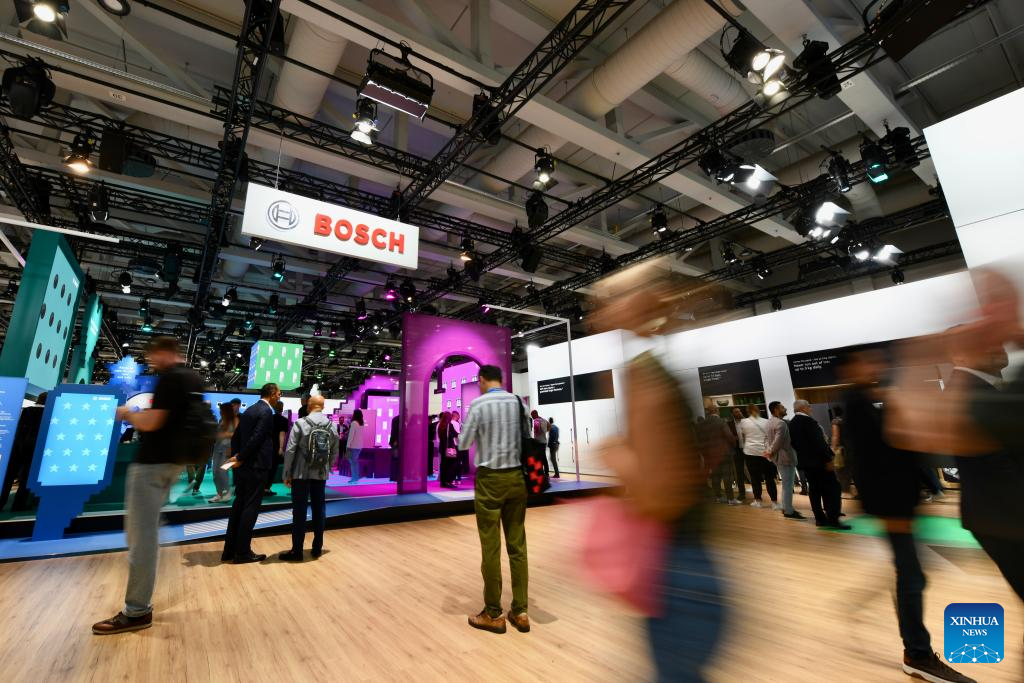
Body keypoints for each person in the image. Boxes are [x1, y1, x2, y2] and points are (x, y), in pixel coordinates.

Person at [591, 259, 726, 681]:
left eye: (612, 297)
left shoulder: (643, 375)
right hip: (689, 561)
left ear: (643, 301)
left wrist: (616, 456)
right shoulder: (654, 368)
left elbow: (660, 495)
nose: (601, 309)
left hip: (675, 569)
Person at [842, 347, 975, 683]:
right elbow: (869, 462)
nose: (875, 364)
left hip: (899, 505)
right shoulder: (857, 403)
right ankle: (917, 653)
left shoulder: (867, 399)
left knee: (912, 576)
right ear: (850, 367)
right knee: (911, 577)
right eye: (866, 360)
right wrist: (888, 509)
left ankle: (916, 650)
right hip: (893, 507)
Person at [93, 336, 203, 635]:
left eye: (152, 356)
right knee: (147, 531)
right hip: (173, 464)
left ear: (163, 353)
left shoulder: (170, 378)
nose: (151, 362)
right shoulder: (193, 377)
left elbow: (152, 423)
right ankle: (141, 599)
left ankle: (137, 611)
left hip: (152, 464)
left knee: (141, 539)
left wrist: (127, 413)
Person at [458, 365, 532, 635]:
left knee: (491, 547)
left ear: (481, 380)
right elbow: (528, 437)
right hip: (517, 478)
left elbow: (463, 443)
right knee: (518, 545)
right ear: (501, 379)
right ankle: (521, 611)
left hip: (490, 479)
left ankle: (493, 613)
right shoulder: (519, 403)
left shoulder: (478, 404)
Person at [221, 383, 280, 564]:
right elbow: (257, 437)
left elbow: (236, 437)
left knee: (239, 505)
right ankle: (242, 552)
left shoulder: (250, 410)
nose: (279, 396)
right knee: (250, 508)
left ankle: (229, 550)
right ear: (271, 394)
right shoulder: (266, 412)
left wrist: (237, 458)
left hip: (244, 467)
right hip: (257, 466)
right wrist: (240, 456)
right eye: (279, 393)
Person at [279, 395, 339, 561]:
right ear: (323, 406)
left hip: (300, 474)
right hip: (320, 475)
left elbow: (290, 450)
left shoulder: (300, 423)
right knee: (319, 510)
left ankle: (297, 551)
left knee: (299, 512)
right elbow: (335, 451)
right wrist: (327, 467)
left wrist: (287, 473)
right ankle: (317, 548)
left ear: (308, 406)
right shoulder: (332, 426)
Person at [789, 400, 847, 528]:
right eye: (809, 406)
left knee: (815, 490)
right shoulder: (809, 422)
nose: (811, 409)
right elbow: (819, 443)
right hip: (820, 462)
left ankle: (820, 519)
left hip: (806, 463)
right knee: (833, 488)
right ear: (803, 408)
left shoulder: (792, 423)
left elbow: (793, 444)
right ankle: (833, 519)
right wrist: (828, 459)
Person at [0, 392, 46, 512]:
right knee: (27, 476)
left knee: (9, 475)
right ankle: (18, 505)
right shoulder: (48, 413)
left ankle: (1, 501)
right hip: (35, 447)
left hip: (17, 445)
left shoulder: (26, 410)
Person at [764, 401, 803, 519]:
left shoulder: (768, 422)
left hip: (778, 458)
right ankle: (788, 511)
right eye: (782, 407)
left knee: (786, 485)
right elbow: (778, 441)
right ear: (776, 410)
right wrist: (770, 452)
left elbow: (766, 440)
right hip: (785, 458)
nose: (785, 409)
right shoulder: (781, 423)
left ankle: (786, 508)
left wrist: (769, 451)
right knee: (787, 486)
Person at [737, 404, 777, 509]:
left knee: (755, 478)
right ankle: (774, 502)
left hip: (750, 452)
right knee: (770, 478)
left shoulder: (743, 422)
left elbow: (742, 438)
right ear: (758, 410)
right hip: (765, 452)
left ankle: (758, 501)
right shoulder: (766, 421)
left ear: (747, 411)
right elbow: (771, 437)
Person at [699, 409, 739, 505]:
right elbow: (729, 435)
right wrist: (734, 444)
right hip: (724, 452)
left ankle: (718, 497)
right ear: (717, 411)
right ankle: (730, 499)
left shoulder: (703, 424)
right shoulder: (721, 421)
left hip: (710, 454)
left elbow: (701, 439)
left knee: (715, 476)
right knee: (727, 476)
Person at [210, 402, 238, 503]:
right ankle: (219, 494)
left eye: (221, 410)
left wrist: (226, 434)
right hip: (217, 449)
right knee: (215, 473)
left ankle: (227, 493)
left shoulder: (235, 420)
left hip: (228, 450)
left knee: (223, 472)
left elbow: (237, 434)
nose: (220, 412)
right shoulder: (222, 420)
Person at [264, 400, 289, 497]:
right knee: (272, 468)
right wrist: (281, 448)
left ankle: (264, 488)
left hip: (267, 446)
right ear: (282, 408)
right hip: (276, 448)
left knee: (266, 468)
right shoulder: (284, 420)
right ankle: (266, 488)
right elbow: (282, 434)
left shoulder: (269, 418)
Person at [831, 406, 854, 493]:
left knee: (840, 470)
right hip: (850, 448)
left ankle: (845, 491)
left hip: (841, 449)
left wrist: (833, 448)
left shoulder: (836, 422)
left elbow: (835, 436)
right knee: (850, 469)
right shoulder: (847, 421)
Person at [727, 408, 747, 502]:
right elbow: (727, 437)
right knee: (739, 472)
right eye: (736, 412)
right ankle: (742, 493)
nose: (739, 413)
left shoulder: (747, 422)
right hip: (737, 450)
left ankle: (757, 494)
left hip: (749, 449)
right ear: (732, 414)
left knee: (752, 471)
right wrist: (732, 438)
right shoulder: (729, 424)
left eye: (739, 411)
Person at [437, 411, 459, 488]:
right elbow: (455, 434)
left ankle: (443, 482)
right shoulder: (449, 425)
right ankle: (448, 482)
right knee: (451, 465)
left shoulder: (440, 425)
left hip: (442, 448)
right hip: (449, 449)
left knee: (443, 465)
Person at [345, 410, 365, 483]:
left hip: (353, 446)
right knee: (355, 462)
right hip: (359, 446)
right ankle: (355, 477)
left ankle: (354, 478)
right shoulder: (362, 423)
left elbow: (351, 435)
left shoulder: (354, 423)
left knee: (353, 463)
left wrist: (347, 445)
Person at [452, 410, 468, 481]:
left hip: (451, 445)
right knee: (458, 461)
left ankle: (453, 477)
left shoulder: (450, 423)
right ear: (456, 415)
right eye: (458, 415)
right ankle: (458, 477)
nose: (459, 417)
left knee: (453, 462)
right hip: (457, 445)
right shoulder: (456, 423)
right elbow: (457, 435)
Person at [389, 413, 400, 482]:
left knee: (395, 460)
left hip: (395, 442)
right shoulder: (398, 420)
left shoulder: (395, 419)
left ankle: (393, 477)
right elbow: (395, 431)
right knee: (396, 460)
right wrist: (395, 441)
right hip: (396, 443)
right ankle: (395, 477)